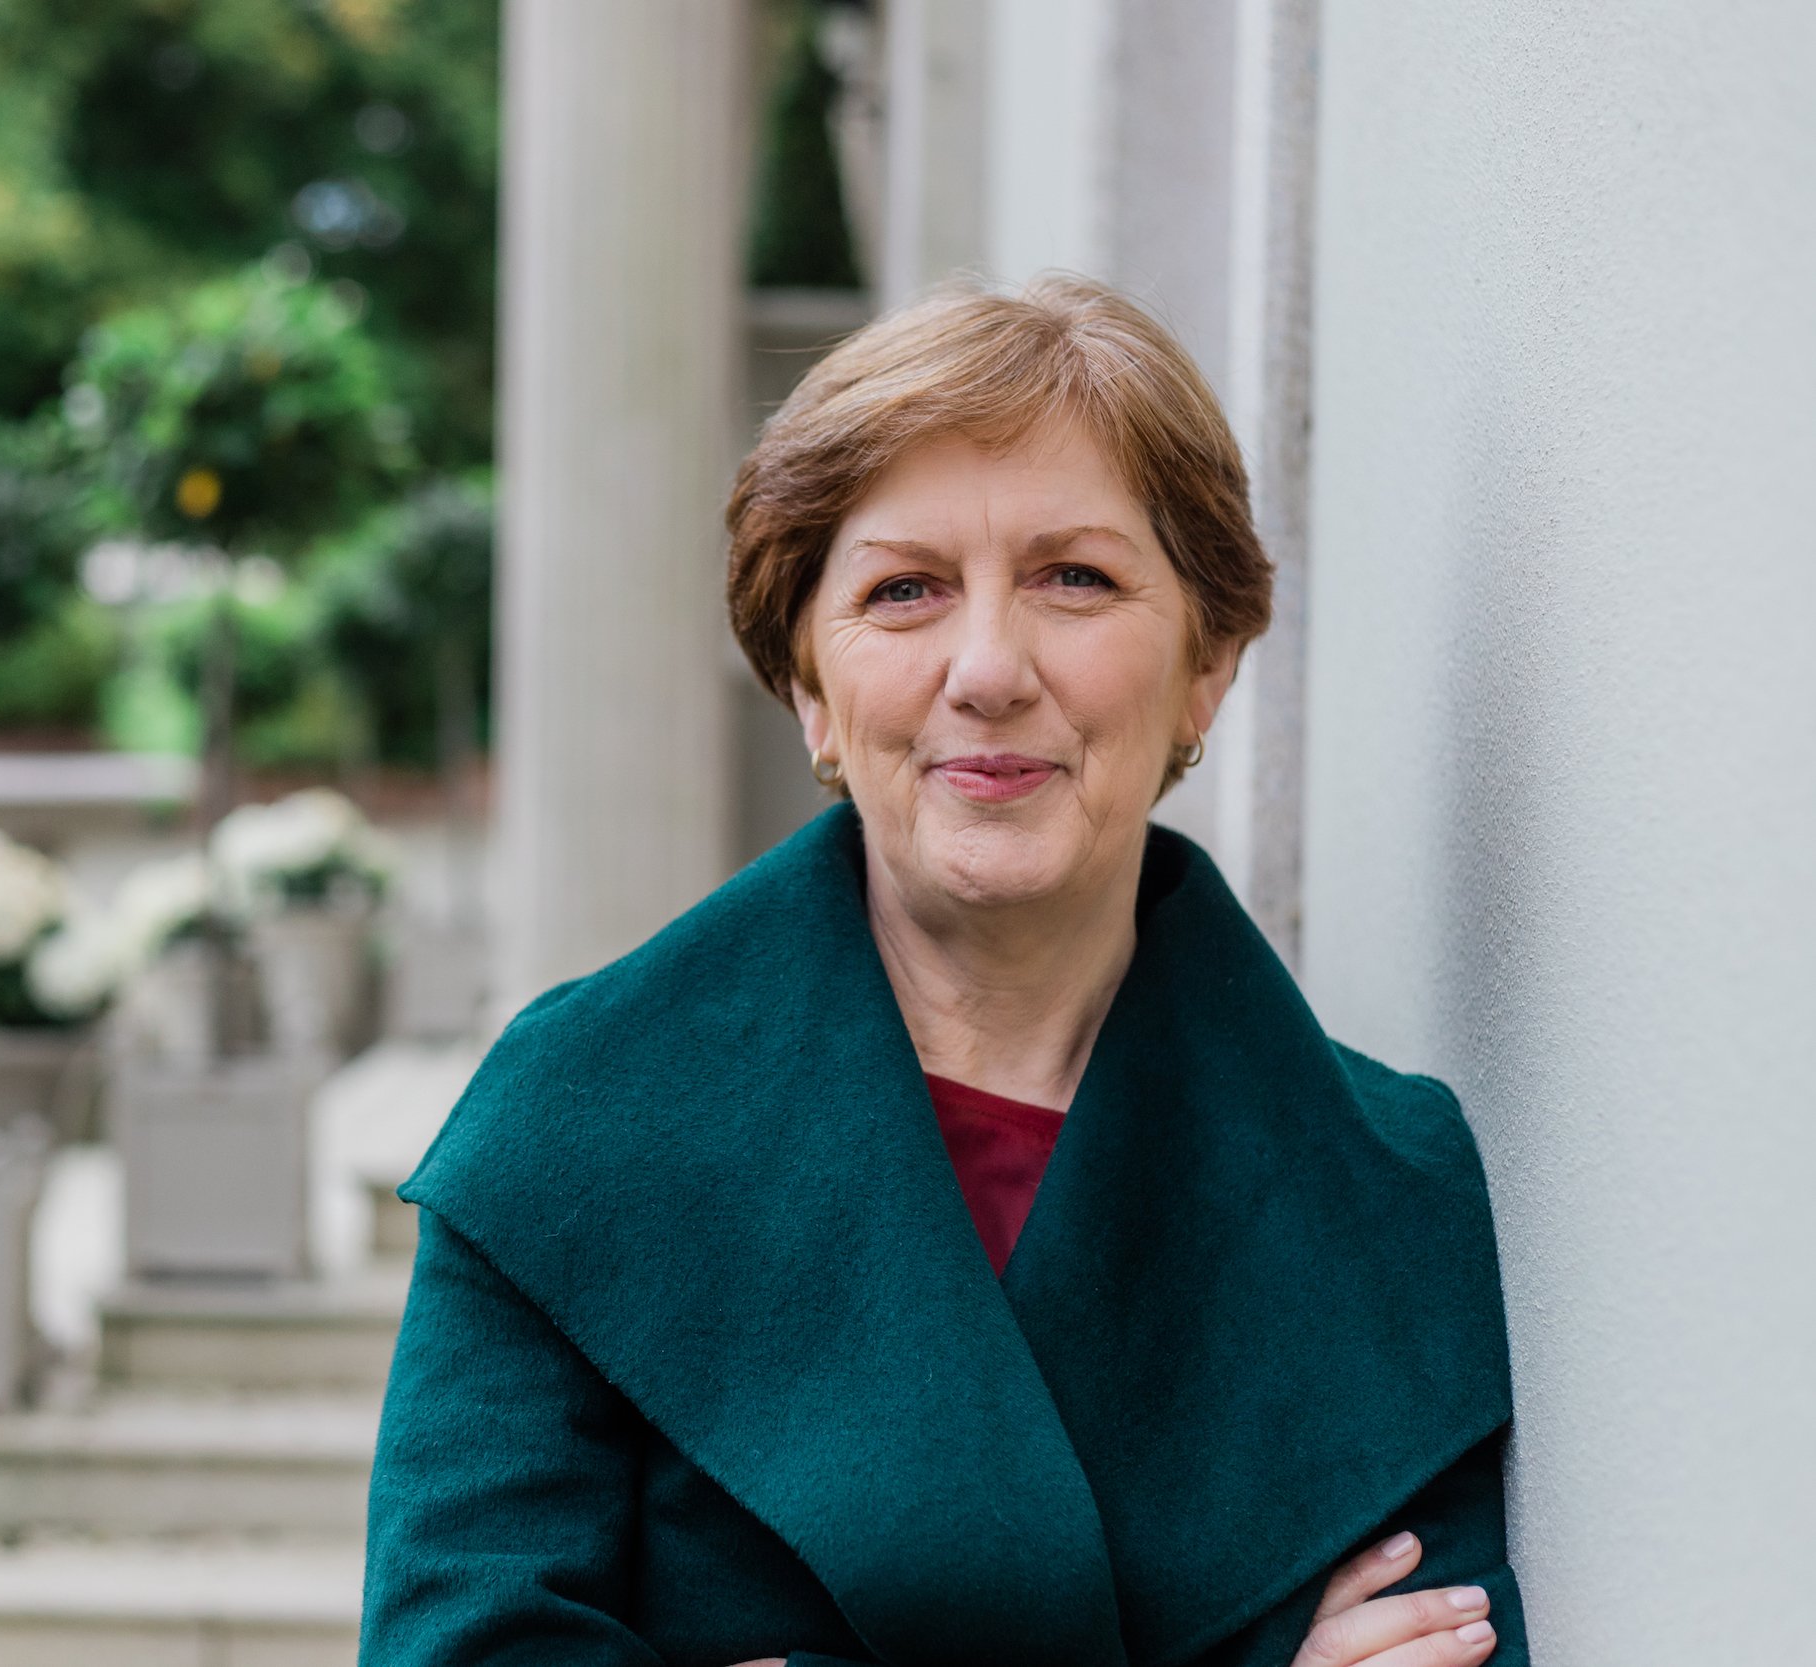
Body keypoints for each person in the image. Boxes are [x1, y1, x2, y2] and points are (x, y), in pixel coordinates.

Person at [359, 275, 1522, 1667]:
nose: (988, 668)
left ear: (1206, 666)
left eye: (1074, 579)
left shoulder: (1387, 1194)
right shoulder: (575, 1126)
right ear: (811, 692)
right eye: (904, 591)